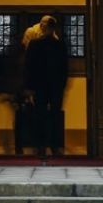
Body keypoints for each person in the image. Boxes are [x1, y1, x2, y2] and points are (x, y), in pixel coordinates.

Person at [23, 15, 68, 158]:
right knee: (54, 115)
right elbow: (65, 68)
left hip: (40, 85)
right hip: (55, 86)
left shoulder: (35, 44)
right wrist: (62, 85)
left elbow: (29, 67)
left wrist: (29, 87)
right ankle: (55, 146)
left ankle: (40, 146)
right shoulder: (60, 45)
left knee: (40, 115)